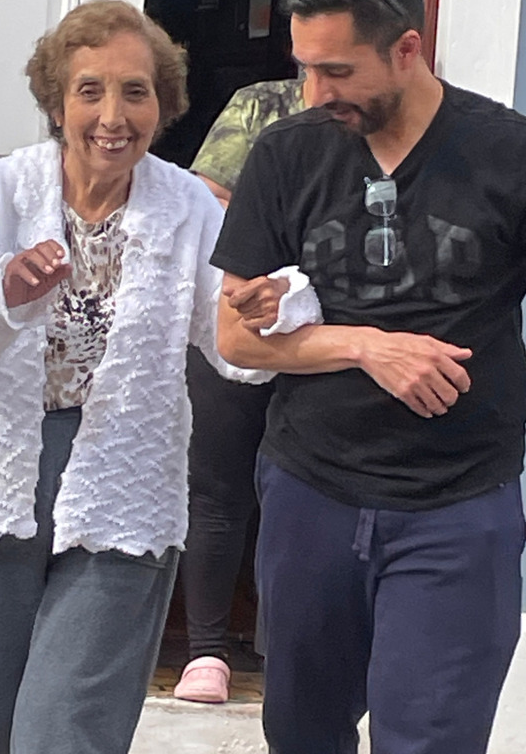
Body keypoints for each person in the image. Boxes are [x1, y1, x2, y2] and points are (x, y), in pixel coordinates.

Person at [211, 0, 526, 753]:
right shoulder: (286, 154)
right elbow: (233, 334)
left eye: (337, 71)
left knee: (432, 740)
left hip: (457, 507)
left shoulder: (511, 152)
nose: (315, 92)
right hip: (311, 492)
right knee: (301, 733)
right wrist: (366, 347)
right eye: (305, 68)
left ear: (406, 49)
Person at [0, 0, 294, 754]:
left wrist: (272, 309)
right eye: (90, 91)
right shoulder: (2, 191)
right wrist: (1, 289)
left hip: (124, 475)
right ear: (56, 103)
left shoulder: (188, 206)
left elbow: (234, 342)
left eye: (136, 91)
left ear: (163, 104)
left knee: (67, 728)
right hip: (2, 472)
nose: (114, 116)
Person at [173, 75, 314, 704]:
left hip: (327, 331)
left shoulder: (389, 119)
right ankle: (205, 651)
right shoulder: (262, 103)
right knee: (216, 488)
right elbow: (207, 195)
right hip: (234, 315)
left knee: (303, 493)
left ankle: (282, 651)